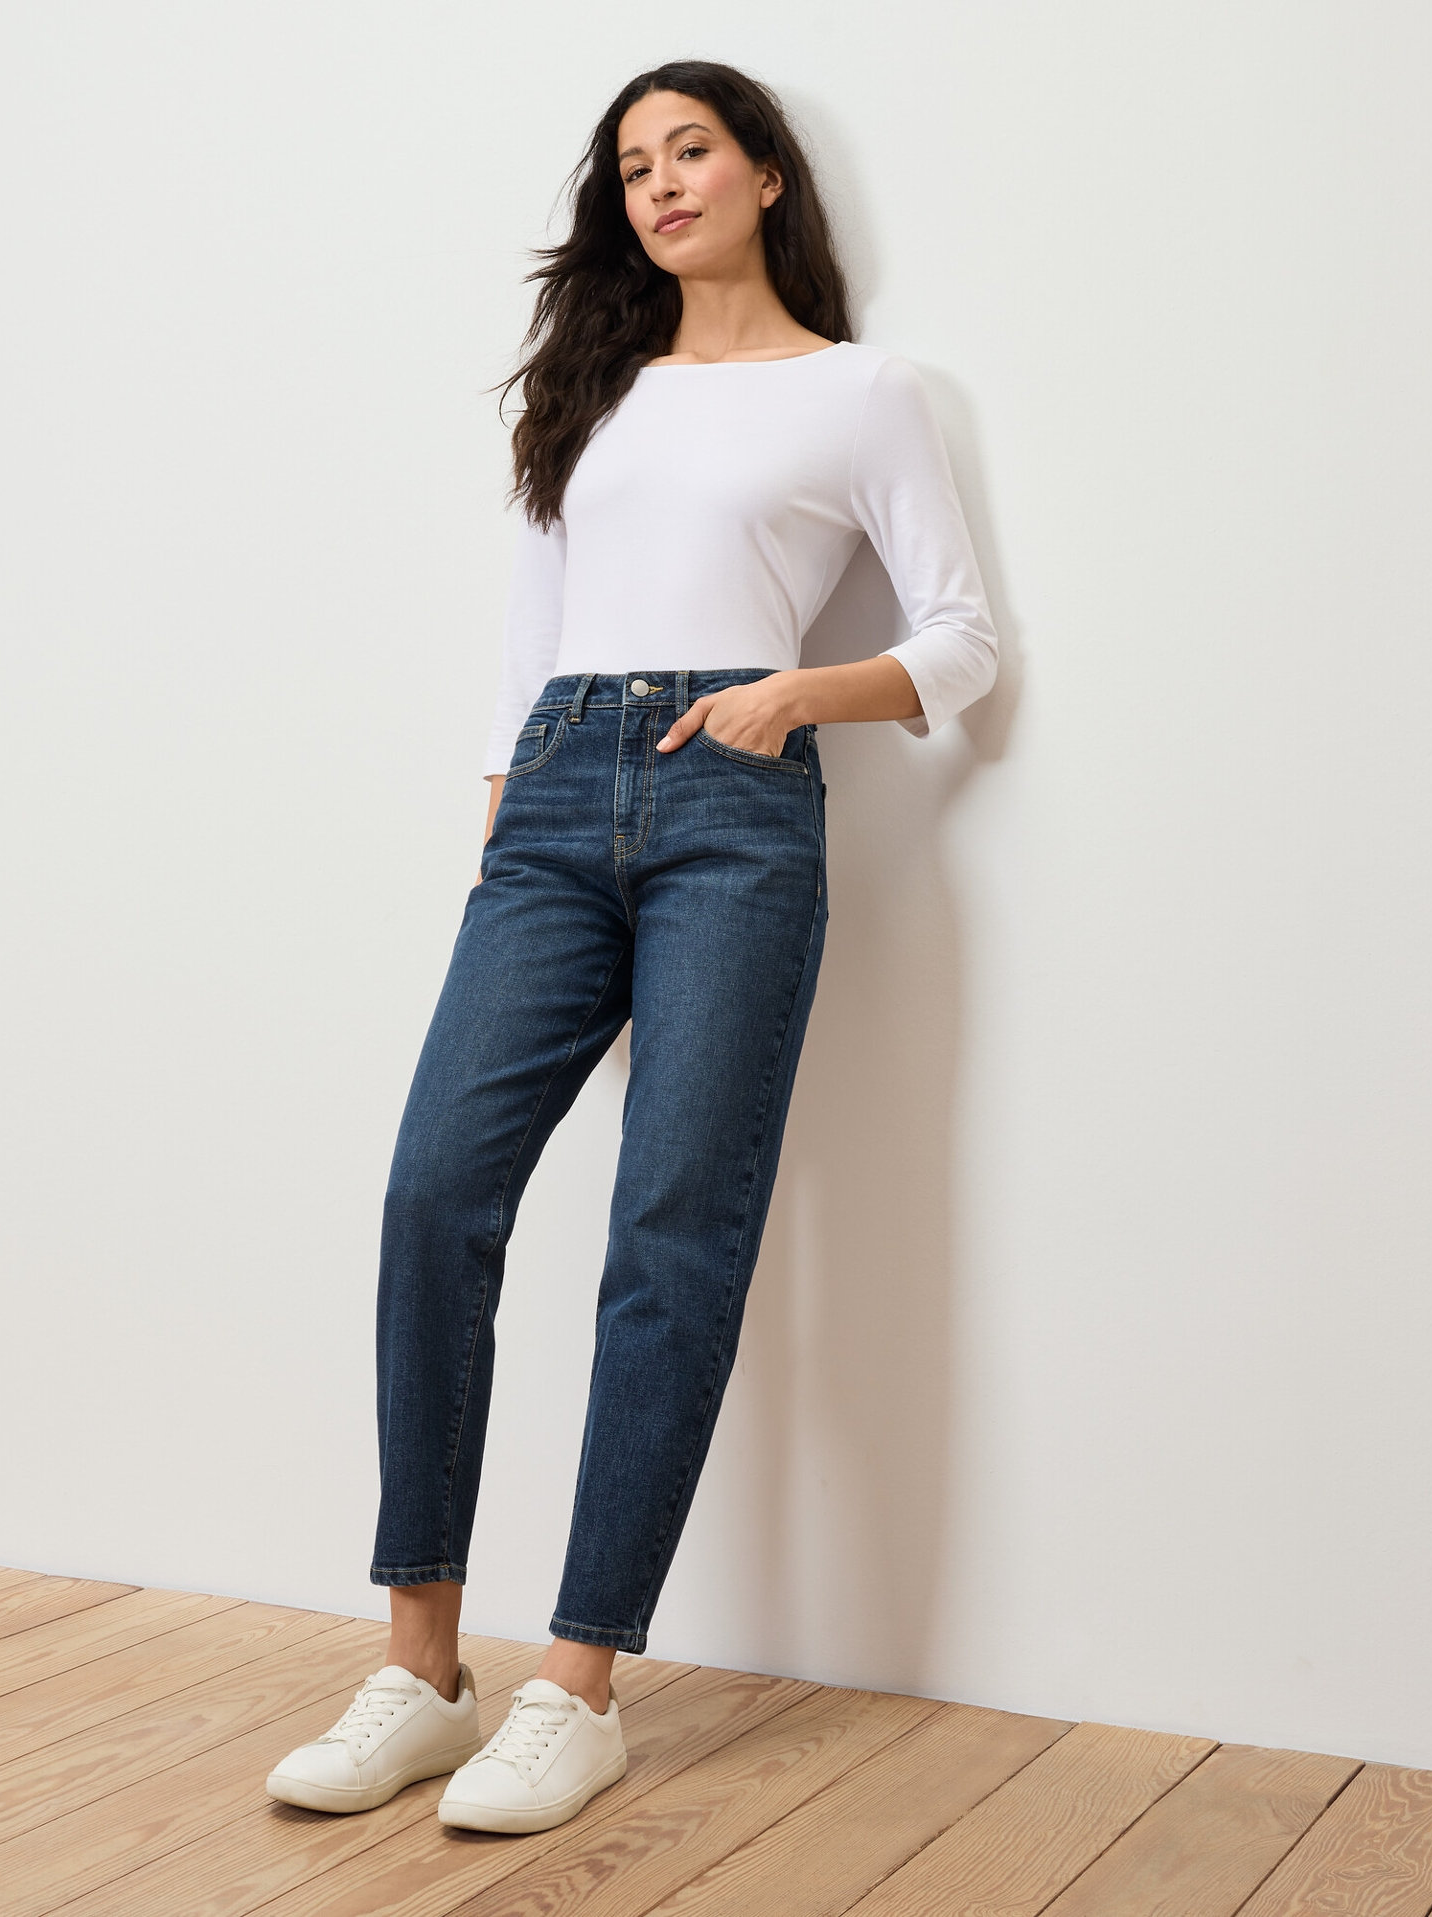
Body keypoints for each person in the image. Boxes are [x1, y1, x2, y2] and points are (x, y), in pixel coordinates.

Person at [267, 57, 998, 1835]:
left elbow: (966, 637)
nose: (658, 184)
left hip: (736, 808)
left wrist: (794, 700)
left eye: (689, 152)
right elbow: (536, 625)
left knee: (672, 1229)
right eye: (631, 165)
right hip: (552, 799)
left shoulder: (867, 393)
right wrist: (506, 813)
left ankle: (578, 1681)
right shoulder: (592, 387)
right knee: (434, 1190)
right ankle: (418, 1666)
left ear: (762, 175)